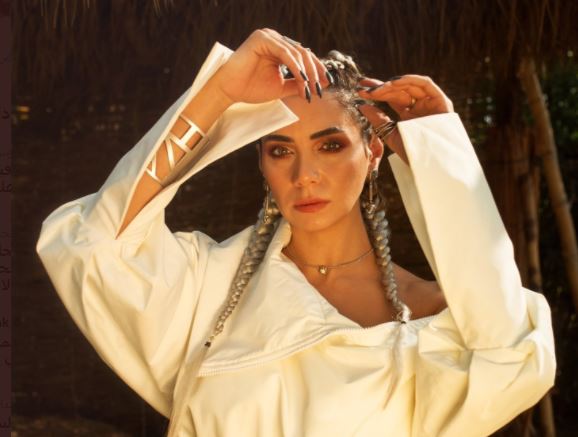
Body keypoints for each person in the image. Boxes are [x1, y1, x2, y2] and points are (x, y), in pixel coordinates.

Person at [36, 29, 556, 437]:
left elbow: (512, 356)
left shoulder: (433, 318)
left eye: (331, 146)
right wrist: (220, 92)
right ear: (262, 163)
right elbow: (94, 244)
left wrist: (442, 155)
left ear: (373, 152)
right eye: (280, 150)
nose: (304, 175)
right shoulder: (209, 289)